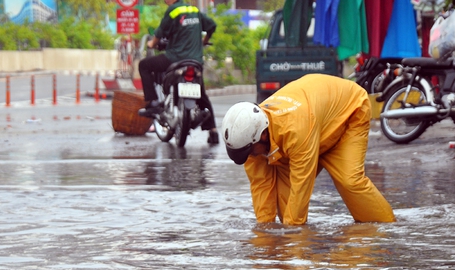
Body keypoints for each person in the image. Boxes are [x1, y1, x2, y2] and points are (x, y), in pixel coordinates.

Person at [222, 74, 396, 225]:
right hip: (314, 123)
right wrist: (265, 233)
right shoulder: (250, 134)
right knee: (285, 208)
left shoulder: (295, 131)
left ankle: (386, 228)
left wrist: (293, 240)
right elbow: (261, 186)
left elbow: (301, 186)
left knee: (349, 181)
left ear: (263, 136)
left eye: (251, 151)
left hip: (348, 113)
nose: (252, 156)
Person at [138, 0, 219, 144]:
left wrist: (151, 44)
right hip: (196, 61)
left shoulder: (173, 11)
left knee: (144, 65)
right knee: (201, 93)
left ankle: (153, 103)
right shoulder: (193, 10)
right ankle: (213, 131)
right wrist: (204, 41)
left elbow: (159, 33)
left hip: (175, 59)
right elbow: (212, 25)